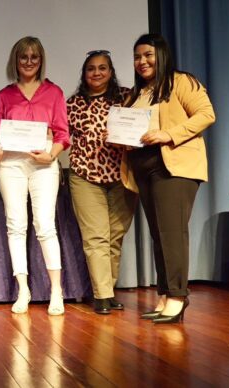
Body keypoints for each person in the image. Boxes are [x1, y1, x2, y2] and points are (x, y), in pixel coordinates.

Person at [123, 33, 215, 324]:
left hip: (174, 166)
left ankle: (178, 296)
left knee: (172, 232)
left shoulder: (181, 81)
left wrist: (168, 134)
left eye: (148, 55)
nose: (142, 61)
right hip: (144, 167)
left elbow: (205, 114)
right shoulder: (136, 94)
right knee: (159, 234)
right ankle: (165, 294)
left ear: (161, 55)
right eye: (138, 56)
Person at [0, 36, 70, 315]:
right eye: (24, 57)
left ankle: (56, 290)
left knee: (45, 224)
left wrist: (53, 154)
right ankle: (23, 290)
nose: (29, 62)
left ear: (41, 60)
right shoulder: (3, 96)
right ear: (16, 61)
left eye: (34, 57)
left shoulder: (54, 92)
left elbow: (62, 133)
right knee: (16, 225)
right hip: (11, 163)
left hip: (44, 161)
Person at [67, 51, 137, 314]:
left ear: (111, 71)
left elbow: (143, 126)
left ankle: (108, 290)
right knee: (96, 236)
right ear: (84, 74)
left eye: (102, 68)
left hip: (122, 175)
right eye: (91, 69)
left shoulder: (127, 98)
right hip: (85, 176)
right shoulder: (72, 104)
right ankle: (102, 296)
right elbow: (59, 136)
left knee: (115, 236)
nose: (97, 73)